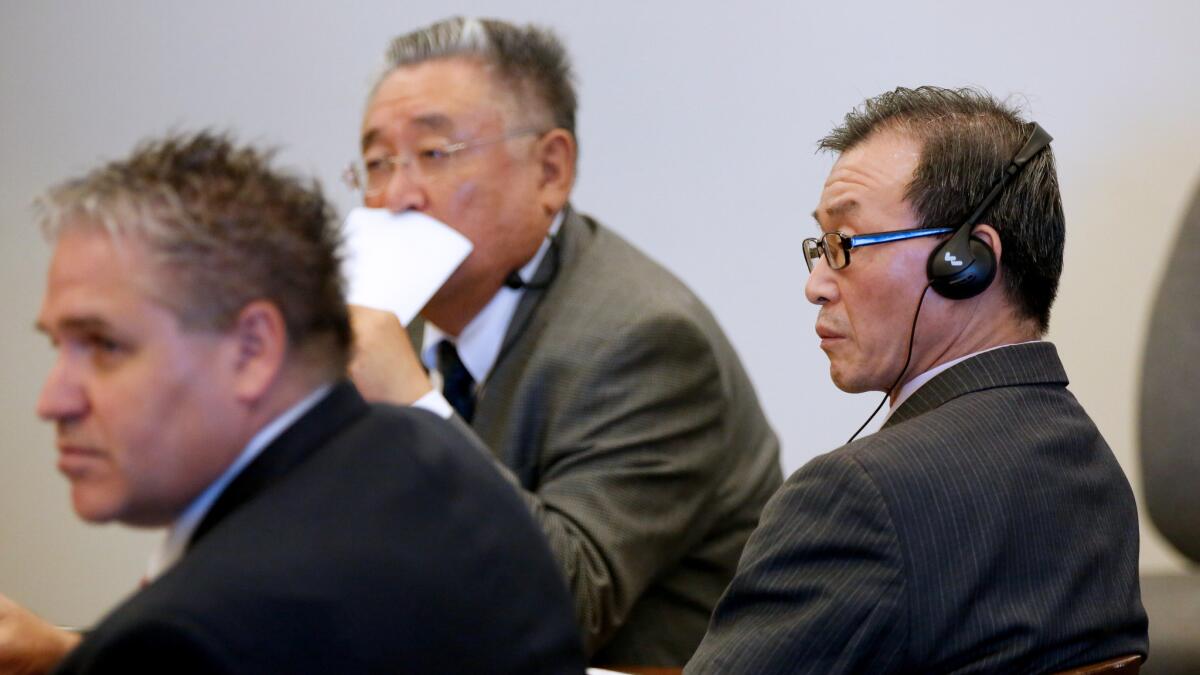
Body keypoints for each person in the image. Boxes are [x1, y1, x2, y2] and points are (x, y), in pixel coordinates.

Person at [0, 131, 584, 674]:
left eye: (105, 345)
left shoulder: (194, 632)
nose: (53, 401)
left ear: (253, 349)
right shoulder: (439, 462)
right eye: (58, 346)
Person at [346, 16, 782, 667]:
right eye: (378, 163)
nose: (396, 196)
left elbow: (563, 605)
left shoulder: (647, 338)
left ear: (550, 169)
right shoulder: (391, 320)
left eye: (434, 154)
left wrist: (412, 405)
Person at [686, 87, 1148, 673]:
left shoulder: (856, 499)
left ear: (965, 264)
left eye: (845, 245)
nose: (817, 284)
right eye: (819, 248)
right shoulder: (1092, 470)